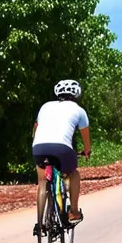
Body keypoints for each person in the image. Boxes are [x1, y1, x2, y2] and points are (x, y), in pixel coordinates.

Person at [32, 79, 91, 224]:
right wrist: (86, 151)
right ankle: (74, 212)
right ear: (77, 95)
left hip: (39, 147)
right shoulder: (79, 110)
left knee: (42, 183)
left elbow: (35, 131)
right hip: (62, 149)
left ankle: (40, 224)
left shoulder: (45, 106)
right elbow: (86, 139)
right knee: (73, 173)